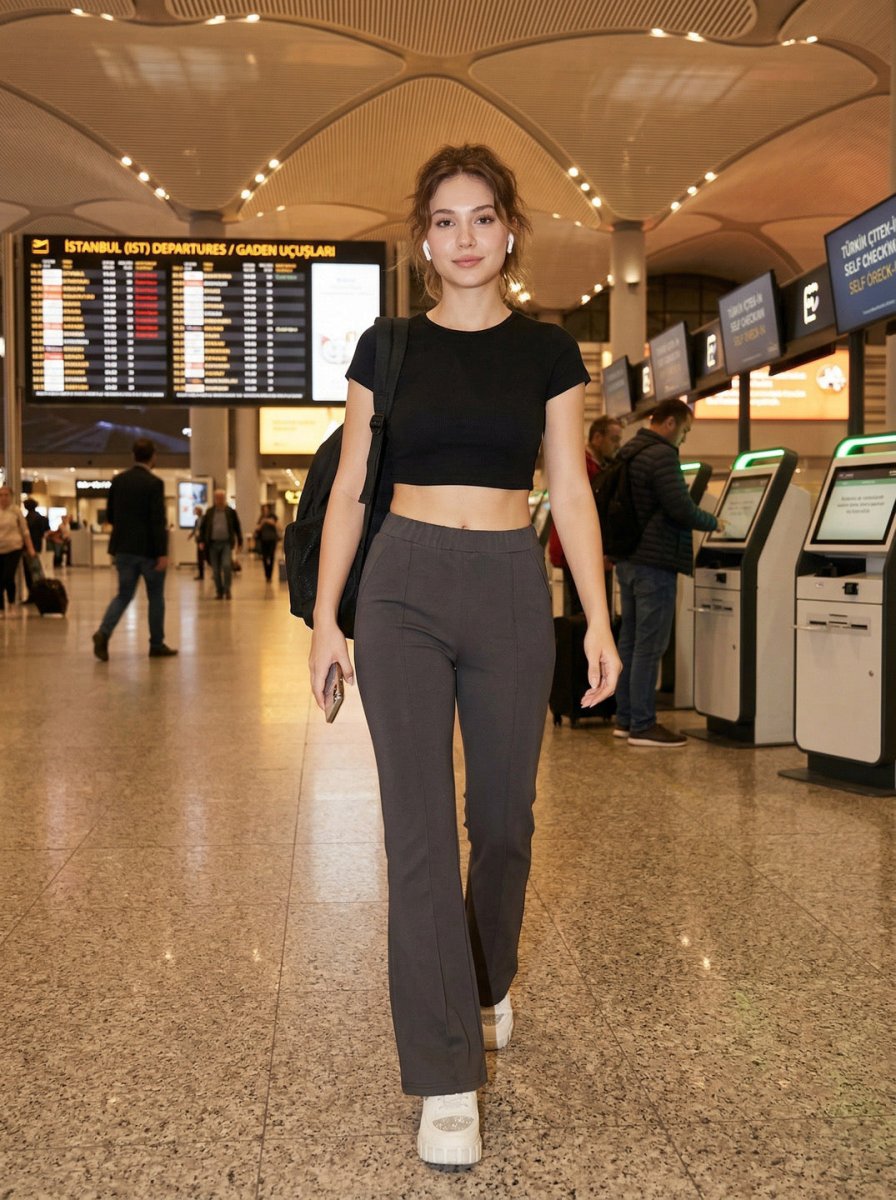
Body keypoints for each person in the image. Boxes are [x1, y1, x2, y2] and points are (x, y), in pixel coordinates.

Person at [308, 143, 621, 1167]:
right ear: (422, 241)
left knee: (503, 822)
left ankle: (487, 972)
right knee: (414, 835)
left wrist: (599, 619)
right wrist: (326, 621)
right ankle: (444, 1074)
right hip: (399, 585)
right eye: (445, 220)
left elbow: (567, 491)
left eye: (482, 217)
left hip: (503, 588)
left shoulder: (547, 354)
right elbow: (352, 486)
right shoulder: (385, 346)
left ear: (509, 229)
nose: (465, 237)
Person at [612, 397, 723, 747]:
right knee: (649, 645)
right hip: (654, 563)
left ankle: (626, 718)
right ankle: (643, 724)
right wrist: (714, 522)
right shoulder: (661, 454)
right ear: (671, 423)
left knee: (629, 642)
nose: (684, 440)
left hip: (628, 560)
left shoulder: (629, 451)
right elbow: (680, 508)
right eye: (685, 431)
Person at [92, 438, 177, 660]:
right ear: (153, 456)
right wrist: (162, 552)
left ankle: (103, 633)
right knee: (156, 597)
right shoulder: (154, 483)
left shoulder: (118, 481)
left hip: (124, 550)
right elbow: (157, 521)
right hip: (149, 552)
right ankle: (156, 644)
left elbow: (110, 516)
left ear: (133, 456)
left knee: (123, 595)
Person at [548, 415, 623, 613]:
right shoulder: (583, 465)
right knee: (582, 616)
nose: (618, 446)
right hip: (578, 552)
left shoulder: (596, 465)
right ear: (597, 438)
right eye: (614, 439)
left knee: (582, 614)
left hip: (580, 551)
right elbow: (580, 512)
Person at [198, 490, 243, 599]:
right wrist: (201, 541)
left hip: (226, 544)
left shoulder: (230, 512)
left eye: (221, 498)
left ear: (224, 499)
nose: (219, 500)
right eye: (217, 498)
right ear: (214, 499)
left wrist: (240, 542)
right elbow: (203, 528)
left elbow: (237, 527)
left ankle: (227, 590)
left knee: (227, 566)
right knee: (216, 569)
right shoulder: (209, 512)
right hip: (212, 545)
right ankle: (219, 591)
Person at [0, 486, 36, 618]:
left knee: (8, 577)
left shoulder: (16, 511)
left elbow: (25, 531)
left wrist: (30, 548)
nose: (3, 498)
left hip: (14, 548)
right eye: (1, 495)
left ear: (11, 497)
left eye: (6, 495)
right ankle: (1, 608)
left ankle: (11, 603)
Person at [22, 498, 51, 604]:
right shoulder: (41, 518)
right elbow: (45, 532)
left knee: (30, 572)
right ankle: (40, 594)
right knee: (36, 571)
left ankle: (33, 595)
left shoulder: (26, 519)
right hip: (37, 547)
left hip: (27, 548)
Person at [253, 503, 281, 583]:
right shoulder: (261, 518)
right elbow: (257, 529)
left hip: (272, 540)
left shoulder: (273, 517)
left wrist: (270, 522)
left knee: (271, 557)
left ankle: (270, 575)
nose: (265, 511)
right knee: (265, 558)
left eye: (266, 509)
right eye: (263, 510)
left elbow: (279, 526)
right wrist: (262, 522)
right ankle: (267, 575)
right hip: (263, 540)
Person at [188, 504, 205, 580]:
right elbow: (195, 529)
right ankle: (201, 575)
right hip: (199, 540)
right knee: (200, 558)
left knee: (204, 557)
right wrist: (190, 535)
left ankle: (214, 573)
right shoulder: (196, 520)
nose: (195, 512)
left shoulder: (204, 519)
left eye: (196, 510)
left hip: (203, 541)